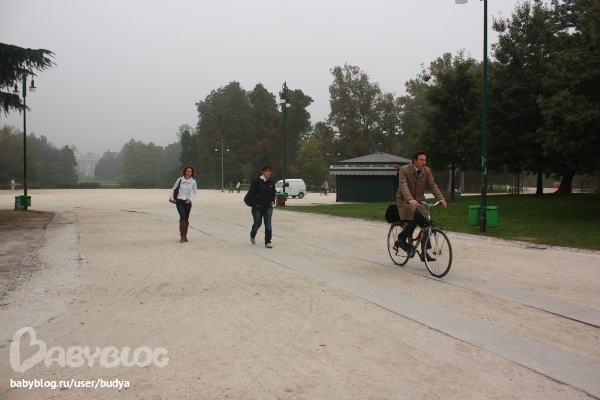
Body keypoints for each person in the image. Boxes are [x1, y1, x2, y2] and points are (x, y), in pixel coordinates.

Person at [395, 151, 447, 261]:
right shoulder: (404, 170)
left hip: (419, 202)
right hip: (405, 201)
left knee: (428, 223)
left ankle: (424, 252)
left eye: (425, 160)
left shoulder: (427, 171)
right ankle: (402, 236)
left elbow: (432, 185)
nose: (424, 162)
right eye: (421, 160)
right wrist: (410, 199)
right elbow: (403, 185)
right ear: (415, 160)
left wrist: (440, 198)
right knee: (416, 215)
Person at [247, 165, 276, 248]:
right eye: (266, 171)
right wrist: (255, 203)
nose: (268, 172)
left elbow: (273, 193)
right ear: (262, 172)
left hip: (268, 206)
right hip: (258, 207)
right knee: (257, 224)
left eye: (269, 171)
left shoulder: (271, 182)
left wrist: (272, 201)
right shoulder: (256, 181)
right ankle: (252, 235)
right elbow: (251, 193)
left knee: (268, 224)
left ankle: (268, 241)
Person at [170, 166, 197, 243]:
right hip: (179, 201)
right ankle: (182, 235)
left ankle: (185, 235)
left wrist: (190, 199)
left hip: (187, 201)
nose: (189, 173)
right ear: (185, 172)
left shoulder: (193, 182)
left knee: (186, 218)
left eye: (190, 172)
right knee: (182, 216)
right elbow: (174, 188)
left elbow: (195, 192)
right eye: (188, 171)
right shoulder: (180, 180)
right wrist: (172, 198)